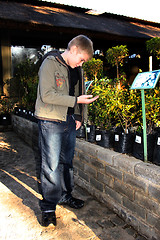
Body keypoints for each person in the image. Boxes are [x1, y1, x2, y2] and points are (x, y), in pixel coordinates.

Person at [34, 35, 99, 227]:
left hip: (69, 121)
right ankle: (48, 207)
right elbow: (47, 95)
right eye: (81, 59)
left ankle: (65, 195)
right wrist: (76, 102)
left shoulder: (76, 68)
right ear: (75, 50)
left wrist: (78, 116)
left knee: (66, 162)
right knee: (51, 166)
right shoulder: (50, 63)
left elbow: (77, 91)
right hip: (51, 121)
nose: (81, 63)